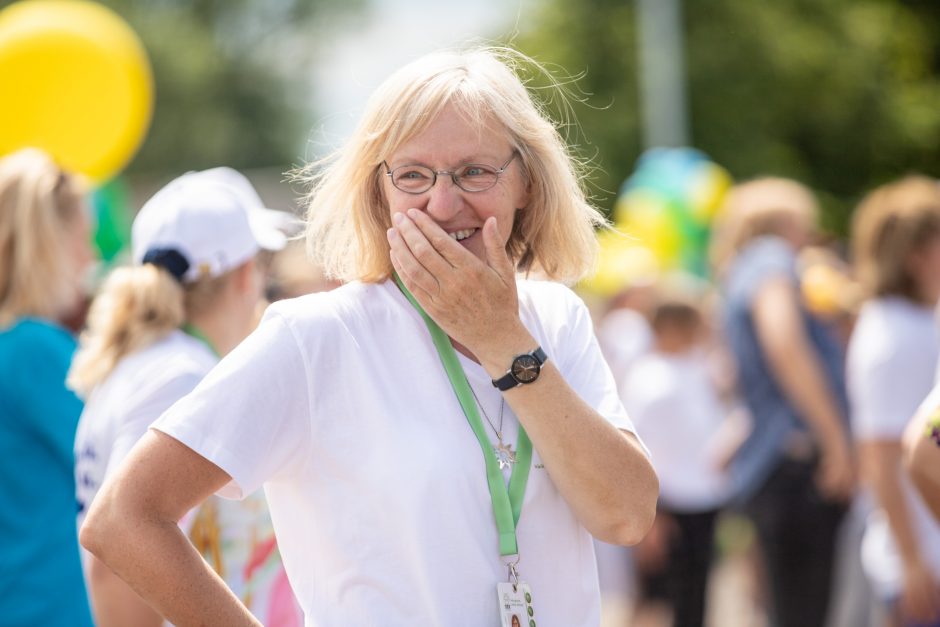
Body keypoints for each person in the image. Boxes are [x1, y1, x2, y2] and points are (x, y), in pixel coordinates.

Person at [80, 46, 658, 626]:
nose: (442, 201)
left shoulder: (556, 316)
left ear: (526, 182)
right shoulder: (317, 337)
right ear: (379, 192)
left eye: (475, 172)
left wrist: (502, 339)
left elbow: (626, 516)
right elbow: (123, 518)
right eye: (413, 175)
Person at [69, 167, 302, 626]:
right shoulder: (182, 375)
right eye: (263, 264)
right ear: (242, 275)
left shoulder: (151, 365)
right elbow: (116, 562)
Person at [710, 177, 854, 627]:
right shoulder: (771, 259)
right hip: (796, 460)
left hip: (775, 465)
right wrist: (835, 442)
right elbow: (785, 346)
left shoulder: (741, 269)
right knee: (805, 610)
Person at [0, 148, 96, 626]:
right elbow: (119, 468)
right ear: (48, 243)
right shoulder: (36, 349)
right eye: (82, 239)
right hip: (53, 606)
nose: (90, 257)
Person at [847, 175, 940, 627]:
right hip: (924, 561)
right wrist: (910, 559)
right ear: (917, 255)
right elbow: (881, 455)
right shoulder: (893, 336)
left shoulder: (919, 320)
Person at [621, 297, 733, 627]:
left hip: (704, 497)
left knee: (695, 598)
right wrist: (652, 515)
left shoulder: (697, 367)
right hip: (668, 504)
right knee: (657, 601)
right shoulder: (647, 377)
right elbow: (635, 449)